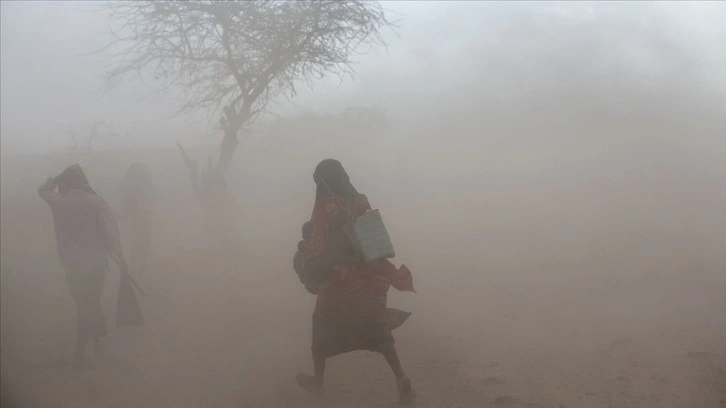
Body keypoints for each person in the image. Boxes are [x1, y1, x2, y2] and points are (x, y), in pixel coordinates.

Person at [295, 159, 416, 404]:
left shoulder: (326, 205)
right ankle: (401, 378)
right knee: (378, 331)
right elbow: (373, 238)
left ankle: (318, 381)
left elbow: (319, 245)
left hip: (340, 282)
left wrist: (303, 248)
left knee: (321, 325)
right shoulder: (360, 199)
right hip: (371, 278)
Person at [38, 164, 128, 368]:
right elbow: (111, 236)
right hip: (96, 265)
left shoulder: (58, 202)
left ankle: (83, 351)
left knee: (84, 305)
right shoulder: (97, 202)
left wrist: (57, 178)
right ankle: (93, 342)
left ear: (66, 182)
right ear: (85, 180)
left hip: (71, 266)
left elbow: (41, 190)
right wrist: (121, 259)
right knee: (89, 304)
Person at [116, 162, 154, 282]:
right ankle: (137, 276)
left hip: (139, 237)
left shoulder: (135, 210)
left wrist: (115, 216)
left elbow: (124, 217)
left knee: (135, 256)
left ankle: (134, 275)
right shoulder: (141, 211)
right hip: (142, 237)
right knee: (141, 256)